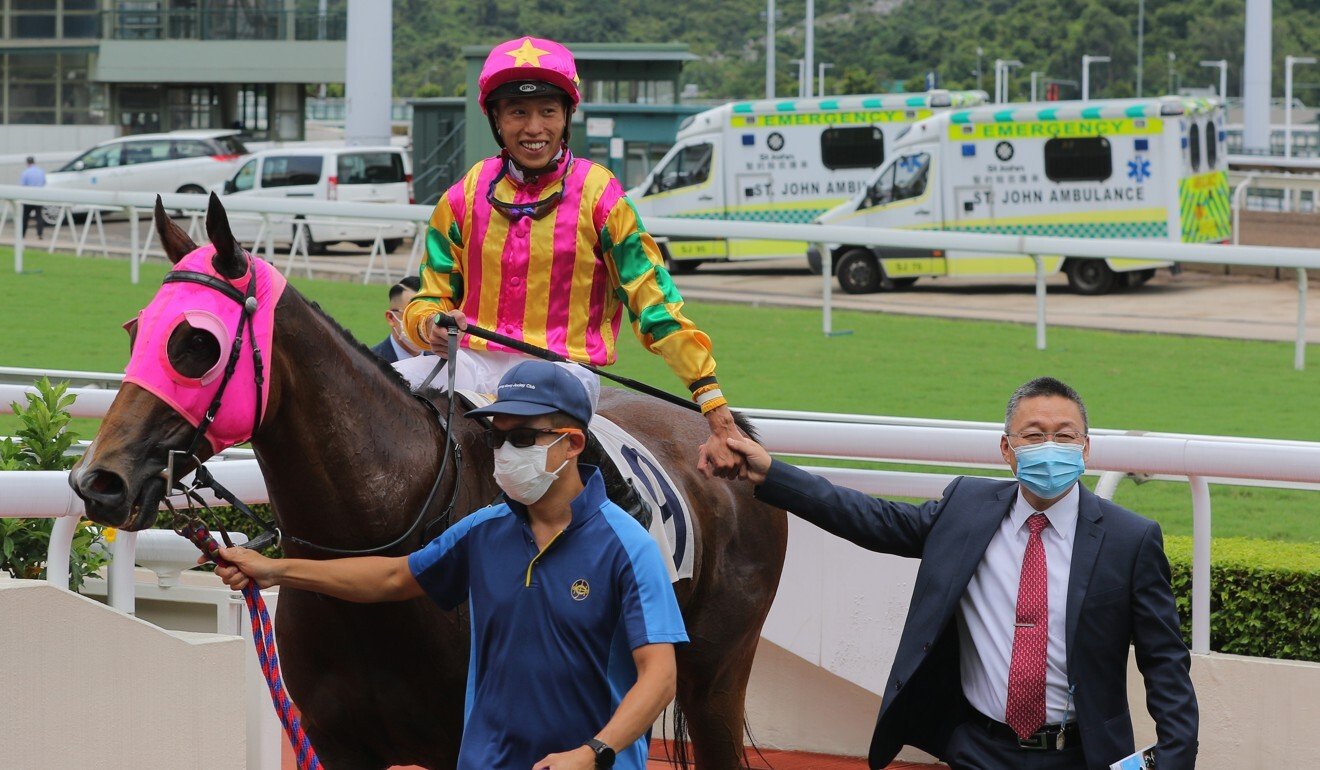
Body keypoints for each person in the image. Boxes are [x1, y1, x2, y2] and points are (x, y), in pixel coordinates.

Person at [213, 360, 687, 770]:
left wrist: (592, 752)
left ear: (573, 443)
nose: (506, 452)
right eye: (497, 437)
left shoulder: (628, 546)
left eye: (523, 438)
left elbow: (660, 676)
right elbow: (392, 576)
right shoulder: (484, 530)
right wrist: (275, 570)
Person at [703, 377, 1198, 770]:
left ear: (1085, 449)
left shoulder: (1130, 539)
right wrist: (771, 472)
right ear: (1006, 449)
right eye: (1033, 435)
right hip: (978, 749)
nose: (1050, 447)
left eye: (1064, 436)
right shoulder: (966, 508)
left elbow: (1165, 663)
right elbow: (872, 519)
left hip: (1083, 755)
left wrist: (1173, 759)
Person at [401, 36, 746, 479]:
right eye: (518, 112)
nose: (534, 128)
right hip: (470, 364)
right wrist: (429, 325)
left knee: (521, 431)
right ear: (496, 120)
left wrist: (711, 401)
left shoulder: (601, 195)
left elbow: (653, 302)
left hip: (561, 374)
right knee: (378, 394)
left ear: (566, 117)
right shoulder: (463, 196)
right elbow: (429, 298)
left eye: (548, 111)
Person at [370, 275, 426, 363]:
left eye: (428, 315)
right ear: (391, 318)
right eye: (411, 315)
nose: (421, 324)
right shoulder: (371, 363)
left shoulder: (442, 360)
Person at [19, 156, 46, 239]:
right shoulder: (41, 171)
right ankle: (40, 234)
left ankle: (22, 234)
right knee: (39, 216)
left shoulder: (25, 172)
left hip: (28, 197)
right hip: (39, 196)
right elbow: (44, 183)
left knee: (25, 217)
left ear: (27, 163)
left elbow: (23, 186)